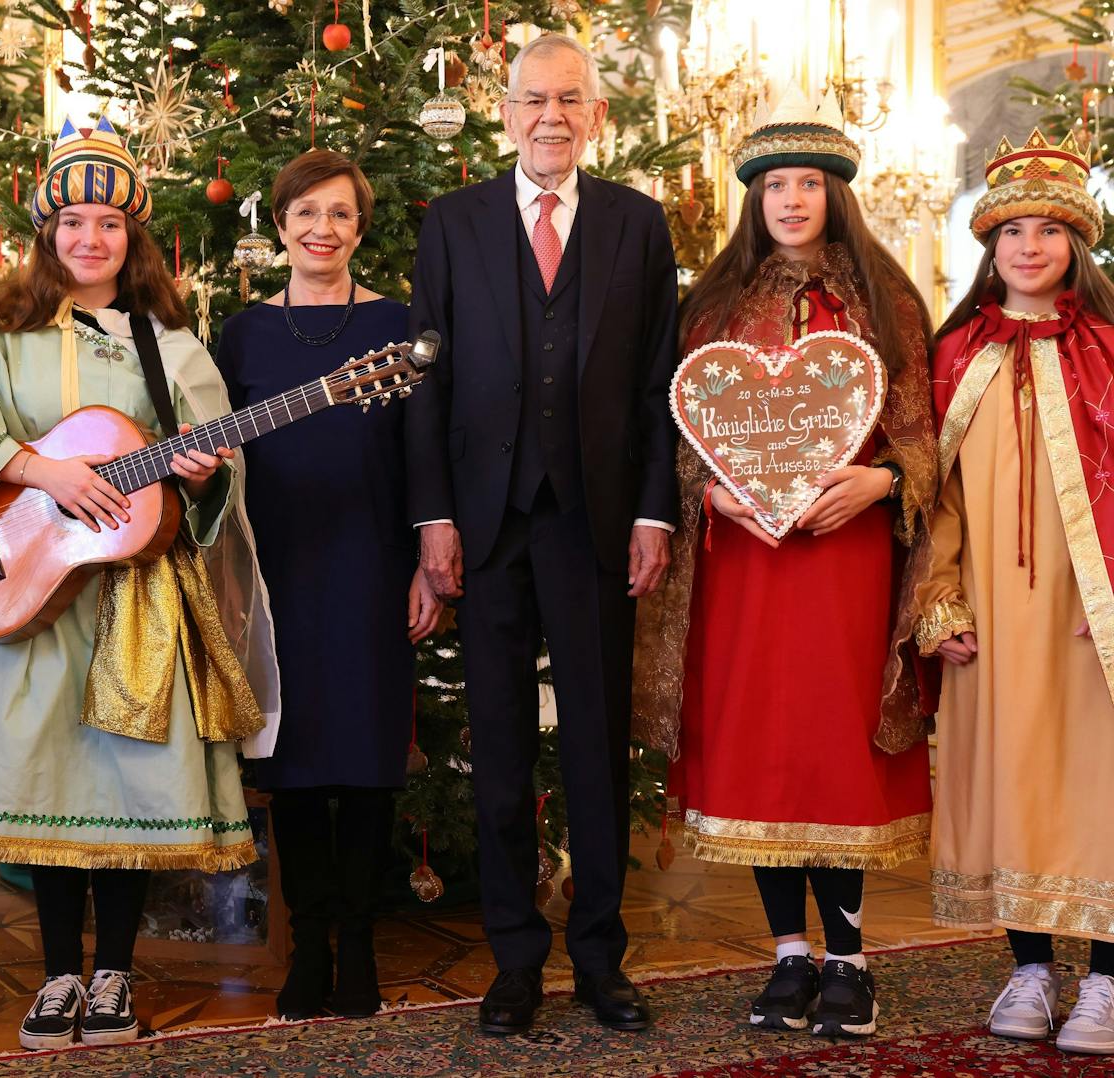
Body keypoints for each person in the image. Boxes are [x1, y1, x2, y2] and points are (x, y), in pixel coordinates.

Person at [0, 116, 276, 1051]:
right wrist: (43, 472)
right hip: (31, 586)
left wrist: (205, 477)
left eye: (108, 223)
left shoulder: (172, 346)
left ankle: (113, 973)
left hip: (137, 597)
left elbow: (216, 473)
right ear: (48, 233)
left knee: (129, 790)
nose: (89, 238)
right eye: (72, 220)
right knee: (43, 781)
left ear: (132, 237)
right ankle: (57, 975)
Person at [633, 86, 937, 1040]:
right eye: (776, 184)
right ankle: (789, 958)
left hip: (843, 558)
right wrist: (710, 494)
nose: (793, 199)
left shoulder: (886, 301)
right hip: (746, 562)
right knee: (763, 748)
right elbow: (683, 432)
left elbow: (927, 432)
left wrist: (882, 484)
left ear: (836, 194)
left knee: (829, 745)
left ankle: (849, 963)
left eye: (809, 183)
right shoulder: (714, 303)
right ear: (753, 198)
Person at [405, 32, 678, 1035]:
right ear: (504, 112)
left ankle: (600, 958)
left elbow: (656, 384)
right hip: (484, 528)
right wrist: (432, 516)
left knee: (596, 750)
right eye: (532, 100)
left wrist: (655, 509)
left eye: (569, 99)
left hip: (599, 526)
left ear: (596, 116)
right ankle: (514, 959)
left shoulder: (637, 226)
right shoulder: (453, 223)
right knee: (503, 754)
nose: (550, 116)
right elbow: (424, 379)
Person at [215, 149, 441, 1020]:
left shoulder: (401, 323)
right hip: (276, 574)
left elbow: (427, 451)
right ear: (279, 227)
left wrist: (429, 559)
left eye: (340, 214)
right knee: (298, 764)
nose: (322, 230)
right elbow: (220, 455)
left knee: (368, 763)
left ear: (360, 227)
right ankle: (308, 948)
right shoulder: (242, 335)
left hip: (372, 563)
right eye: (305, 213)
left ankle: (360, 950)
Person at [917, 127, 1114, 1056]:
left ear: (1079, 241)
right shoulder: (957, 354)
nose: (1029, 247)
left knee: (1096, 786)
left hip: (1090, 620)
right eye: (1010, 232)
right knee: (1011, 781)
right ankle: (1031, 967)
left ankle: (1109, 980)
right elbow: (934, 495)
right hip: (992, 614)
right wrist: (941, 601)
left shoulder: (1110, 350)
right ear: (988, 248)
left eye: (1049, 229)